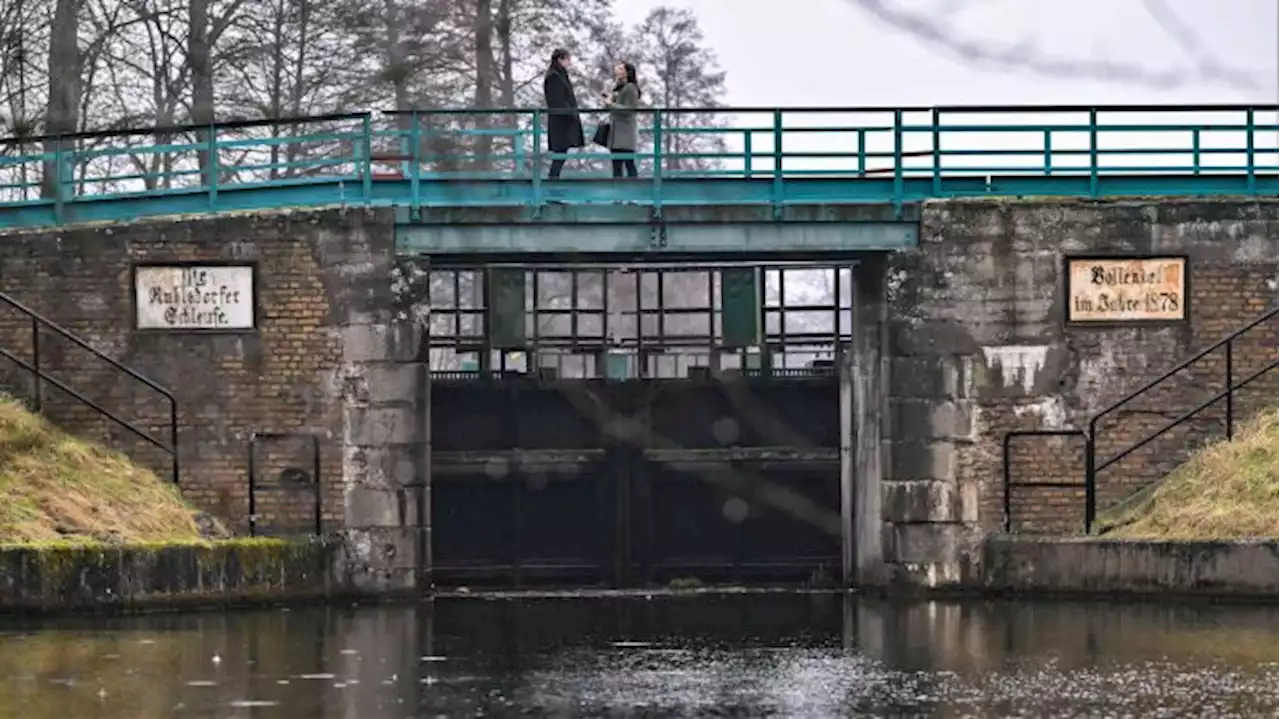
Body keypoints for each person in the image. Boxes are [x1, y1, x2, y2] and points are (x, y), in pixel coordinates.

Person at [542, 48, 584, 179]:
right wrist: (571, 113)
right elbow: (557, 100)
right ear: (560, 59)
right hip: (561, 122)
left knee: (561, 154)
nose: (569, 62)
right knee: (560, 154)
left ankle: (552, 184)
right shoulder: (554, 76)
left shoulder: (559, 74)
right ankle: (552, 184)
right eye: (567, 59)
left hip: (563, 120)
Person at [601, 62, 640, 178]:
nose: (616, 70)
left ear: (627, 72)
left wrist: (610, 104)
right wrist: (608, 96)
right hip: (616, 131)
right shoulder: (619, 87)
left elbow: (630, 109)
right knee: (617, 164)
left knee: (628, 162)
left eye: (620, 68)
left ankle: (633, 191)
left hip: (625, 132)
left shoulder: (631, 88)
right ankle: (619, 193)